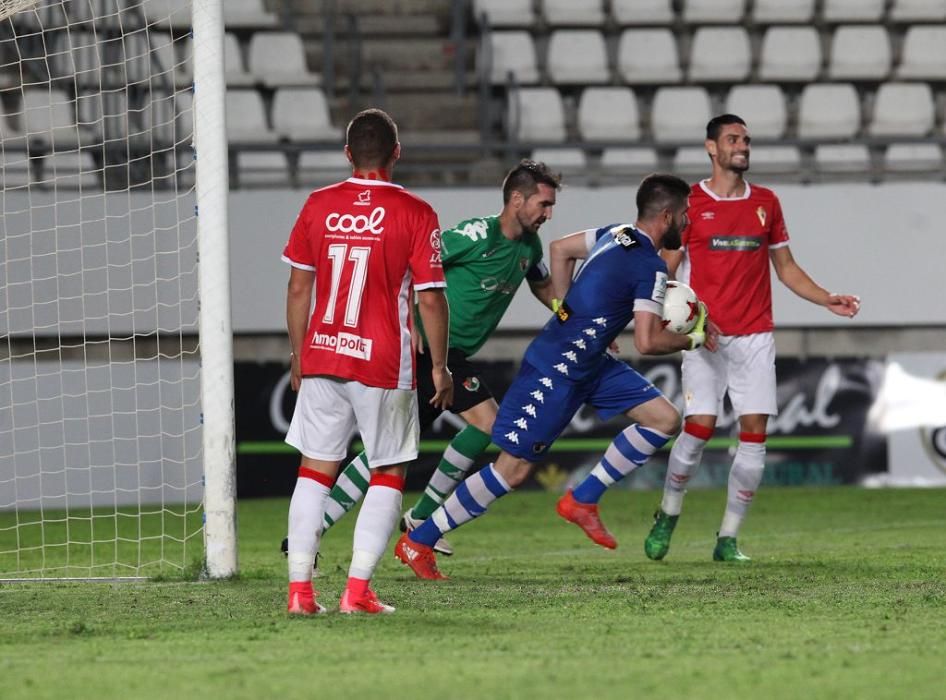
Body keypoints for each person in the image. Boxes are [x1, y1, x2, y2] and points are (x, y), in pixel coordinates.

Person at [394, 174, 719, 580]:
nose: (688, 223)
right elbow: (649, 341)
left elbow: (561, 249)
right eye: (685, 215)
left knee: (665, 419)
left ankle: (583, 499)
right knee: (511, 470)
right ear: (667, 215)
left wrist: (568, 314)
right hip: (557, 370)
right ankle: (420, 538)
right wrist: (693, 339)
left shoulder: (617, 234)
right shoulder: (650, 267)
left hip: (591, 363)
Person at [282, 160, 561, 562]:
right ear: (517, 198)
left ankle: (321, 528)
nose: (548, 214)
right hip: (423, 351)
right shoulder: (474, 235)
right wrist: (406, 319)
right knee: (449, 434)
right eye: (544, 203)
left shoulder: (529, 248)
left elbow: (544, 285)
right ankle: (407, 519)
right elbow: (420, 264)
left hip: (451, 356)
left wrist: (566, 315)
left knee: (399, 446)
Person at [644, 114, 861, 563]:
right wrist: (653, 319)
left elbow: (786, 268)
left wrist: (826, 298)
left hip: (755, 335)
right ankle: (668, 513)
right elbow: (663, 269)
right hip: (704, 335)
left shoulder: (767, 202)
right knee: (699, 427)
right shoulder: (690, 205)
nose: (742, 146)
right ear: (711, 148)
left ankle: (728, 539)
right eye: (732, 139)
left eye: (745, 139)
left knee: (754, 434)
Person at [281, 108, 452, 614]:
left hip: (324, 353)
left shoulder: (318, 205)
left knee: (314, 471)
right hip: (382, 359)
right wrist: (439, 366)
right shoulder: (416, 213)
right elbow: (430, 299)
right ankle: (356, 593)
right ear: (396, 153)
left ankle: (299, 593)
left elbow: (297, 286)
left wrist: (298, 353)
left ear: (347, 154)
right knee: (389, 470)